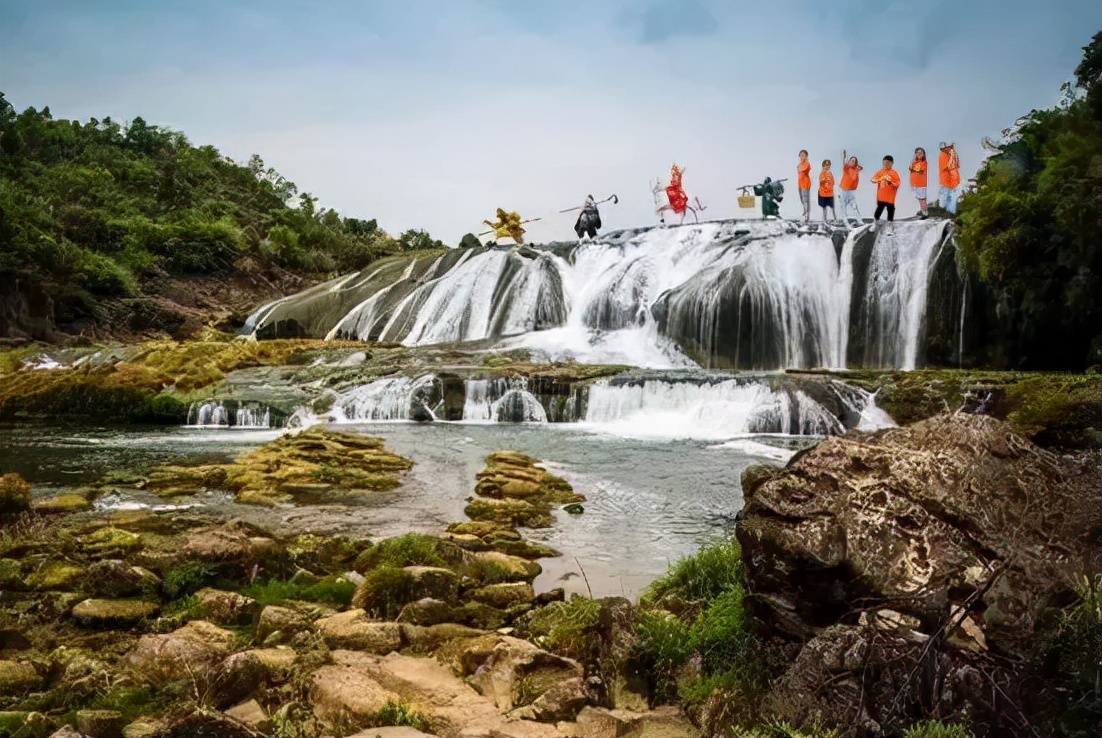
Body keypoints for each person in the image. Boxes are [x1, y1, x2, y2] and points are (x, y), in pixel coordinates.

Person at [869, 155, 901, 235]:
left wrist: (891, 183)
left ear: (892, 163)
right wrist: (880, 179)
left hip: (890, 197)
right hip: (881, 196)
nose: (886, 164)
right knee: (879, 209)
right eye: (885, 162)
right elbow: (872, 179)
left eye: (888, 163)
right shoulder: (880, 172)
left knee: (891, 210)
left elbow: (897, 183)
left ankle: (889, 226)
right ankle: (874, 223)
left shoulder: (894, 173)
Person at [839, 150, 863, 227]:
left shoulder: (855, 170)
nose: (852, 162)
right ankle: (845, 223)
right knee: (843, 208)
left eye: (854, 161)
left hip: (850, 192)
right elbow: (844, 162)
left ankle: (860, 222)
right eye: (851, 160)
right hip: (843, 191)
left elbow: (856, 174)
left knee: (854, 206)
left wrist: (858, 168)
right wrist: (845, 157)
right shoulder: (847, 168)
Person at [938, 141, 961, 214]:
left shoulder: (950, 155)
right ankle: (943, 212)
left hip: (953, 181)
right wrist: (952, 155)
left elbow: (957, 165)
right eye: (946, 148)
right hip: (945, 181)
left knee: (953, 197)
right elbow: (949, 166)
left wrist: (953, 154)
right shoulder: (943, 156)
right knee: (945, 197)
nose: (949, 149)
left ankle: (951, 213)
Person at [909, 147, 929, 219]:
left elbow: (920, 171)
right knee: (920, 199)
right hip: (914, 184)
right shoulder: (915, 162)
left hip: (921, 184)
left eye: (921, 153)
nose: (919, 154)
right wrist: (914, 158)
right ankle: (923, 212)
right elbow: (910, 168)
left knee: (922, 199)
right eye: (917, 153)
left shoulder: (924, 162)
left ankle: (925, 213)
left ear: (923, 154)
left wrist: (913, 170)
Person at [797, 150, 812, 223]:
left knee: (805, 200)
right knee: (802, 199)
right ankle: (805, 212)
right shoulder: (800, 164)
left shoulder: (807, 163)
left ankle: (807, 216)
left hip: (805, 183)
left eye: (803, 155)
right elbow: (799, 171)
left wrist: (799, 168)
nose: (802, 156)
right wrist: (799, 167)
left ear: (806, 156)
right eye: (801, 155)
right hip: (800, 183)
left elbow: (803, 170)